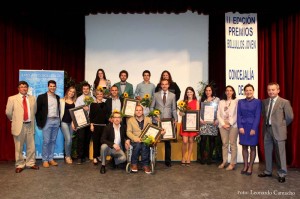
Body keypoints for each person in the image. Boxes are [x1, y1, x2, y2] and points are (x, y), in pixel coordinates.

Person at [258, 82, 294, 183]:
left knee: (280, 154)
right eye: (269, 90)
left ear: (278, 90)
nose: (271, 92)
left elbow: (290, 117)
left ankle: (282, 173)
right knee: (268, 152)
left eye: (273, 89)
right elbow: (263, 115)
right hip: (267, 130)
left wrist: (281, 125)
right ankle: (268, 171)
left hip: (279, 131)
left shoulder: (284, 102)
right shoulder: (264, 102)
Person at [5, 81, 39, 173]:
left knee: (31, 147)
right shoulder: (12, 99)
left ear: (27, 88)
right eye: (21, 86)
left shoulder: (33, 98)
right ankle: (20, 164)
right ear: (18, 88)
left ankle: (30, 163)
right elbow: (8, 113)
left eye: (25, 87)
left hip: (30, 125)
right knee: (18, 147)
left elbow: (34, 111)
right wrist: (15, 120)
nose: (23, 88)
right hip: (18, 126)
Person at [150, 79, 178, 167]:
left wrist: (176, 119)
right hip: (157, 121)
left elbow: (173, 109)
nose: (164, 86)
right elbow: (151, 107)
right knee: (154, 141)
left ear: (168, 85)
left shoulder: (173, 96)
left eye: (166, 84)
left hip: (168, 122)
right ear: (160, 85)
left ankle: (168, 161)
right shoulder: (155, 95)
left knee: (167, 143)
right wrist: (154, 116)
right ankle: (152, 159)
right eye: (163, 84)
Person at [237, 84, 261, 176]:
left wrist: (254, 128)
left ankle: (250, 167)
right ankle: (245, 165)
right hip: (243, 127)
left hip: (252, 128)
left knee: (252, 147)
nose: (248, 92)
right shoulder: (240, 102)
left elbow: (257, 116)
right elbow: (239, 115)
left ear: (253, 91)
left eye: (250, 90)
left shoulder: (258, 102)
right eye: (246, 90)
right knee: (244, 147)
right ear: (244, 92)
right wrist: (240, 127)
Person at [36, 80, 60, 168]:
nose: (52, 87)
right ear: (48, 87)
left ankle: (50, 159)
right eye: (51, 86)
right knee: (46, 141)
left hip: (56, 120)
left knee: (53, 141)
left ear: (56, 87)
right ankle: (45, 160)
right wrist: (39, 123)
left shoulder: (57, 97)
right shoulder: (41, 97)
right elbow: (37, 111)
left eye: (54, 86)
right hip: (47, 121)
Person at [217, 85, 238, 170]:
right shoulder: (221, 102)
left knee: (233, 144)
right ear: (225, 92)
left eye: (230, 90)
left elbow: (237, 114)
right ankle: (224, 161)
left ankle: (232, 163)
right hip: (222, 125)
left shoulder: (236, 101)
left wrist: (229, 123)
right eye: (227, 90)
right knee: (224, 144)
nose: (229, 92)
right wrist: (223, 124)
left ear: (233, 92)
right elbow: (218, 114)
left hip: (233, 125)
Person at [126, 105, 153, 174]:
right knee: (138, 145)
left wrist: (146, 139)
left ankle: (145, 165)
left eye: (140, 110)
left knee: (144, 145)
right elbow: (128, 132)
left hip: (145, 139)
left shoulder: (148, 119)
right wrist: (135, 138)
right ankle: (134, 164)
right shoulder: (130, 120)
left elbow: (151, 130)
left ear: (142, 111)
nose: (138, 112)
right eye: (137, 110)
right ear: (134, 111)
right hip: (135, 140)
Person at [74, 82, 95, 164]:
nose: (85, 90)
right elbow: (76, 111)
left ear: (89, 89)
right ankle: (79, 157)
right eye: (84, 89)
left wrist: (89, 109)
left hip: (90, 121)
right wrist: (83, 108)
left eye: (87, 88)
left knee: (87, 139)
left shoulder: (93, 98)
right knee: (81, 139)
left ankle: (85, 156)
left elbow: (94, 110)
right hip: (81, 121)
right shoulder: (79, 99)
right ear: (82, 90)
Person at [199, 84, 220, 165]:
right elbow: (199, 110)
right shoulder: (202, 99)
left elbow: (219, 110)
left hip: (213, 123)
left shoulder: (217, 99)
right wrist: (200, 119)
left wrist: (217, 120)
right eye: (206, 90)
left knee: (212, 141)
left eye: (209, 90)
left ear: (212, 91)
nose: (208, 92)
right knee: (203, 140)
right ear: (205, 91)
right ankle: (202, 158)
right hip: (203, 123)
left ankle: (210, 158)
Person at [179, 87, 199, 166]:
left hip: (193, 125)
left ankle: (188, 158)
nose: (189, 93)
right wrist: (182, 113)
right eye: (188, 92)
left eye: (190, 92)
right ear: (186, 93)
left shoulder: (196, 102)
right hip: (185, 125)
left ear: (193, 93)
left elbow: (197, 114)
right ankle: (183, 157)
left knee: (191, 141)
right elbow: (180, 113)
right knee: (184, 142)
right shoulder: (183, 102)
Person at [89, 89, 109, 165]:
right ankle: (94, 157)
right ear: (95, 95)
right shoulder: (92, 104)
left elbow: (106, 115)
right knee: (96, 142)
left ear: (102, 95)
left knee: (102, 142)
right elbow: (91, 116)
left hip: (104, 126)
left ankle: (100, 156)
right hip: (95, 126)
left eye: (101, 94)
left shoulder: (105, 104)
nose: (100, 96)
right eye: (98, 94)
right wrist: (91, 125)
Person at [60, 86, 76, 164]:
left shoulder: (75, 102)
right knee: (68, 139)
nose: (71, 93)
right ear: (67, 92)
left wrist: (74, 123)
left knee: (70, 140)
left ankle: (68, 154)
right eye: (70, 91)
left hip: (72, 123)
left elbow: (76, 114)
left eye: (73, 92)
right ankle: (67, 156)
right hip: (64, 122)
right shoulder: (61, 101)